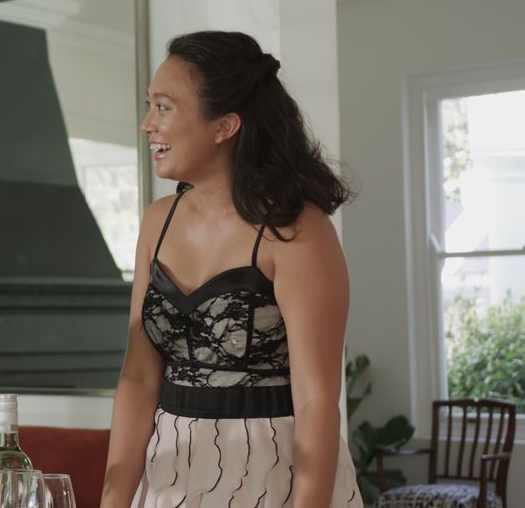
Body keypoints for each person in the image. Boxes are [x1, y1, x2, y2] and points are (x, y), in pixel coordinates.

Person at [100, 31, 363, 507]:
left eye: (163, 107)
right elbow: (139, 377)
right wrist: (114, 499)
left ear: (224, 125)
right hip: (169, 473)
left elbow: (316, 400)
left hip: (270, 472)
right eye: (149, 106)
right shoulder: (158, 221)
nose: (146, 124)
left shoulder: (297, 229)